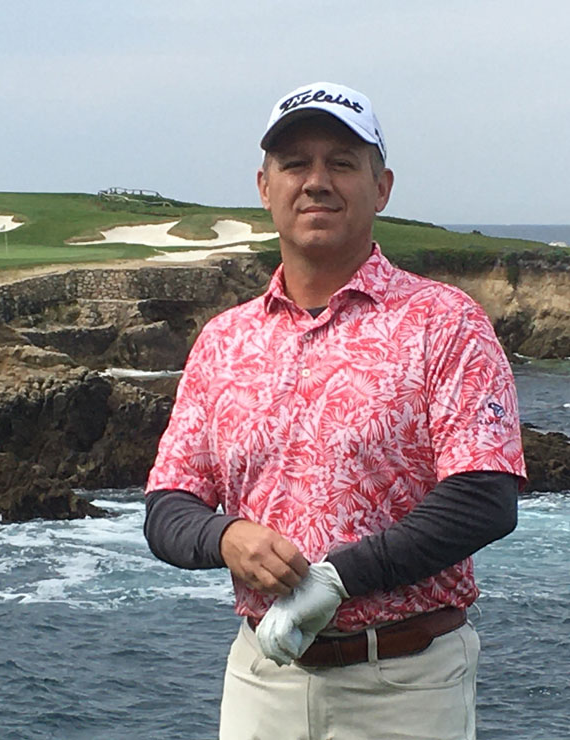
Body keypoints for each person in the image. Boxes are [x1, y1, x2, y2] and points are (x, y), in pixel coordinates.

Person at [143, 81, 526, 740]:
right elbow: (168, 505)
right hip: (263, 679)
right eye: (296, 163)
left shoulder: (444, 321)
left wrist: (337, 579)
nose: (316, 180)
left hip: (405, 686)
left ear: (382, 187)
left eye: (342, 163)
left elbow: (484, 496)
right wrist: (225, 537)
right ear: (265, 186)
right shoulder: (223, 340)